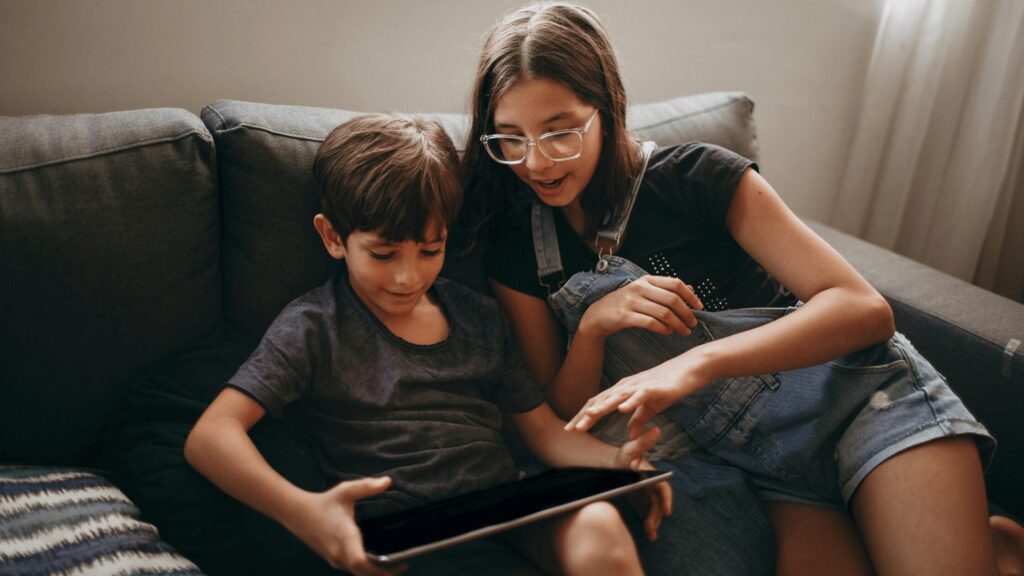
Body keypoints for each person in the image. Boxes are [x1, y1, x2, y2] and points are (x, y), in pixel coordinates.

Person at [462, 3, 1024, 574]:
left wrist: (695, 364)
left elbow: (863, 309)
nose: (535, 162)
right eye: (510, 138)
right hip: (755, 466)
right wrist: (592, 327)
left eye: (561, 132)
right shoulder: (517, 241)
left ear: (606, 108)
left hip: (859, 403)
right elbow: (562, 412)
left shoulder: (697, 178)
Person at [183, 112, 672, 576]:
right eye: (383, 253)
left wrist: (616, 463)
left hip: (509, 509)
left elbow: (541, 431)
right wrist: (303, 513)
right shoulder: (314, 326)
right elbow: (211, 437)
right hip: (409, 535)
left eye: (430, 250)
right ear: (333, 237)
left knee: (599, 524)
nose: (406, 276)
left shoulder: (478, 316)